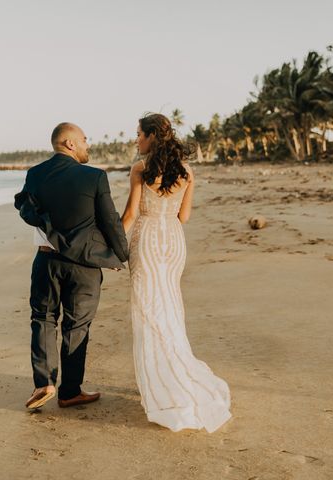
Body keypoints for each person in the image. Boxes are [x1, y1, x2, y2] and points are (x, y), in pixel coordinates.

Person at [121, 113, 231, 432]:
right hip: (173, 241)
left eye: (139, 134)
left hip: (148, 241)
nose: (136, 140)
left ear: (153, 136)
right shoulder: (186, 171)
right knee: (168, 309)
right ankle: (176, 375)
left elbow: (129, 214)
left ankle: (163, 384)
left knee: (148, 313)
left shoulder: (140, 170)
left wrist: (110, 246)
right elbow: (184, 216)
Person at [15, 122, 128, 410]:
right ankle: (70, 391)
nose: (88, 145)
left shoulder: (35, 174)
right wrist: (121, 254)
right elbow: (110, 221)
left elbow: (30, 210)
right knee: (76, 325)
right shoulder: (94, 177)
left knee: (43, 318)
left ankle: (44, 383)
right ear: (69, 143)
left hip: (46, 260)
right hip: (84, 266)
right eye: (85, 140)